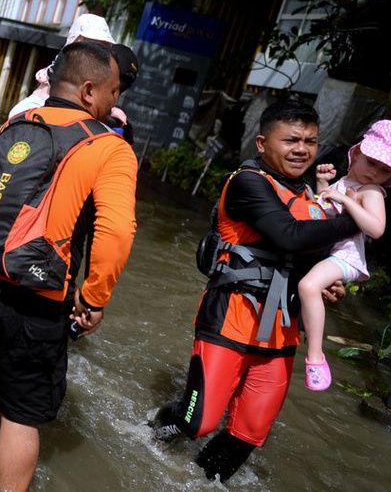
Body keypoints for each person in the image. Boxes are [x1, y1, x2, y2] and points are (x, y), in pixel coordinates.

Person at [0, 41, 138, 492]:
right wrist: (95, 298)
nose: (115, 101)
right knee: (21, 415)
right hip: (38, 301)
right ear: (88, 90)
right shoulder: (110, 148)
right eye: (114, 91)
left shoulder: (16, 122)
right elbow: (117, 234)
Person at [150, 100, 362, 482]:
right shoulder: (247, 182)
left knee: (250, 431)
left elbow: (309, 257)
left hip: (281, 331)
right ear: (263, 143)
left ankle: (199, 483)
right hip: (229, 319)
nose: (302, 149)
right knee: (199, 422)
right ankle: (154, 432)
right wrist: (360, 221)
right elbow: (288, 235)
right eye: (291, 139)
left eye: (311, 141)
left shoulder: (314, 200)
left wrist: (328, 284)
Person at [299, 120, 391, 390]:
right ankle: (309, 344)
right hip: (329, 253)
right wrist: (323, 184)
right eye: (371, 162)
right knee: (309, 288)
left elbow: (376, 229)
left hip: (346, 257)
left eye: (384, 170)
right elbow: (325, 214)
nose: (374, 173)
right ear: (357, 154)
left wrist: (347, 201)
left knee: (308, 285)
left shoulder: (371, 191)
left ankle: (315, 358)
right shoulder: (346, 182)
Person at [8, 13, 131, 130]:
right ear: (77, 42)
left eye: (105, 48)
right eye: (96, 46)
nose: (101, 55)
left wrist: (110, 110)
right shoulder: (28, 108)